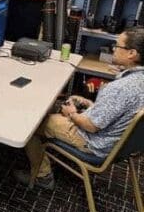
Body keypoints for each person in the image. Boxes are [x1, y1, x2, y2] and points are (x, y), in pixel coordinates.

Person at [14, 27, 144, 189]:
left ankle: (42, 176)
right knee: (55, 108)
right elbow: (118, 112)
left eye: (117, 46)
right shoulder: (138, 81)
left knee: (30, 124)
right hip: (117, 142)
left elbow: (91, 126)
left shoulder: (121, 87)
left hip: (94, 142)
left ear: (131, 53)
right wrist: (89, 104)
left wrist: (72, 114)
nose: (113, 50)